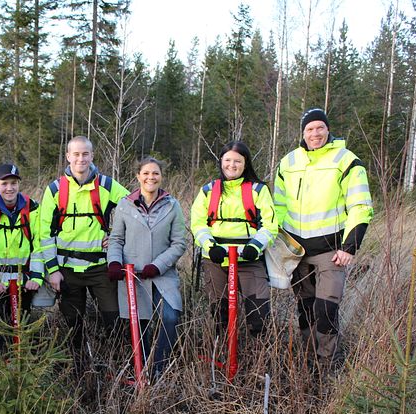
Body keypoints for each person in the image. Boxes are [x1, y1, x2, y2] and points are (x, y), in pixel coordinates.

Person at [274, 108, 373, 368]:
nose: (315, 133)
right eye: (309, 129)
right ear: (302, 133)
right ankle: (310, 365)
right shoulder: (288, 163)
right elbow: (278, 206)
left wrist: (350, 246)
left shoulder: (347, 160)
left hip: (331, 252)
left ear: (328, 129)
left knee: (326, 310)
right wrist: (279, 244)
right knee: (305, 310)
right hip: (297, 252)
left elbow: (361, 206)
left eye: (320, 127)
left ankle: (328, 366)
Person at [39, 135, 129, 371]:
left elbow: (134, 207)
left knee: (114, 320)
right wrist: (53, 271)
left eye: (85, 154)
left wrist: (120, 237)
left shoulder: (107, 186)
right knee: (72, 325)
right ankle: (78, 368)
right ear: (68, 156)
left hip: (100, 268)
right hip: (67, 271)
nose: (81, 159)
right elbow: (44, 235)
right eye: (76, 154)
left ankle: (117, 367)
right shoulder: (55, 190)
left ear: (92, 156)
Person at [107, 157, 187, 378]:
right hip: (133, 276)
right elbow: (116, 240)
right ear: (138, 176)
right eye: (146, 173)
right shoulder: (125, 205)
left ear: (161, 177)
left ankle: (159, 367)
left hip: (162, 275)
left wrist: (158, 265)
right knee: (139, 326)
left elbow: (179, 243)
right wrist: (114, 262)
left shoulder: (172, 205)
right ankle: (139, 372)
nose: (150, 177)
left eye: (155, 173)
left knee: (170, 317)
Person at [191, 141, 277, 338]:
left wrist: (255, 246)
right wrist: (210, 246)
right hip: (216, 260)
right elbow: (197, 224)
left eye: (237, 161)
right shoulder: (208, 190)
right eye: (228, 160)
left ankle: (259, 362)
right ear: (221, 161)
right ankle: (221, 357)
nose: (232, 165)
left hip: (249, 259)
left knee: (259, 316)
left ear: (245, 163)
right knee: (220, 316)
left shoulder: (258, 190)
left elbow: (270, 224)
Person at [0, 163, 44, 351]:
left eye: (14, 183)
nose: (9, 188)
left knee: (25, 325)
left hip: (24, 280)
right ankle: (1, 369)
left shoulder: (32, 207)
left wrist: (36, 277)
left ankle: (25, 369)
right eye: (4, 183)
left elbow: (38, 244)